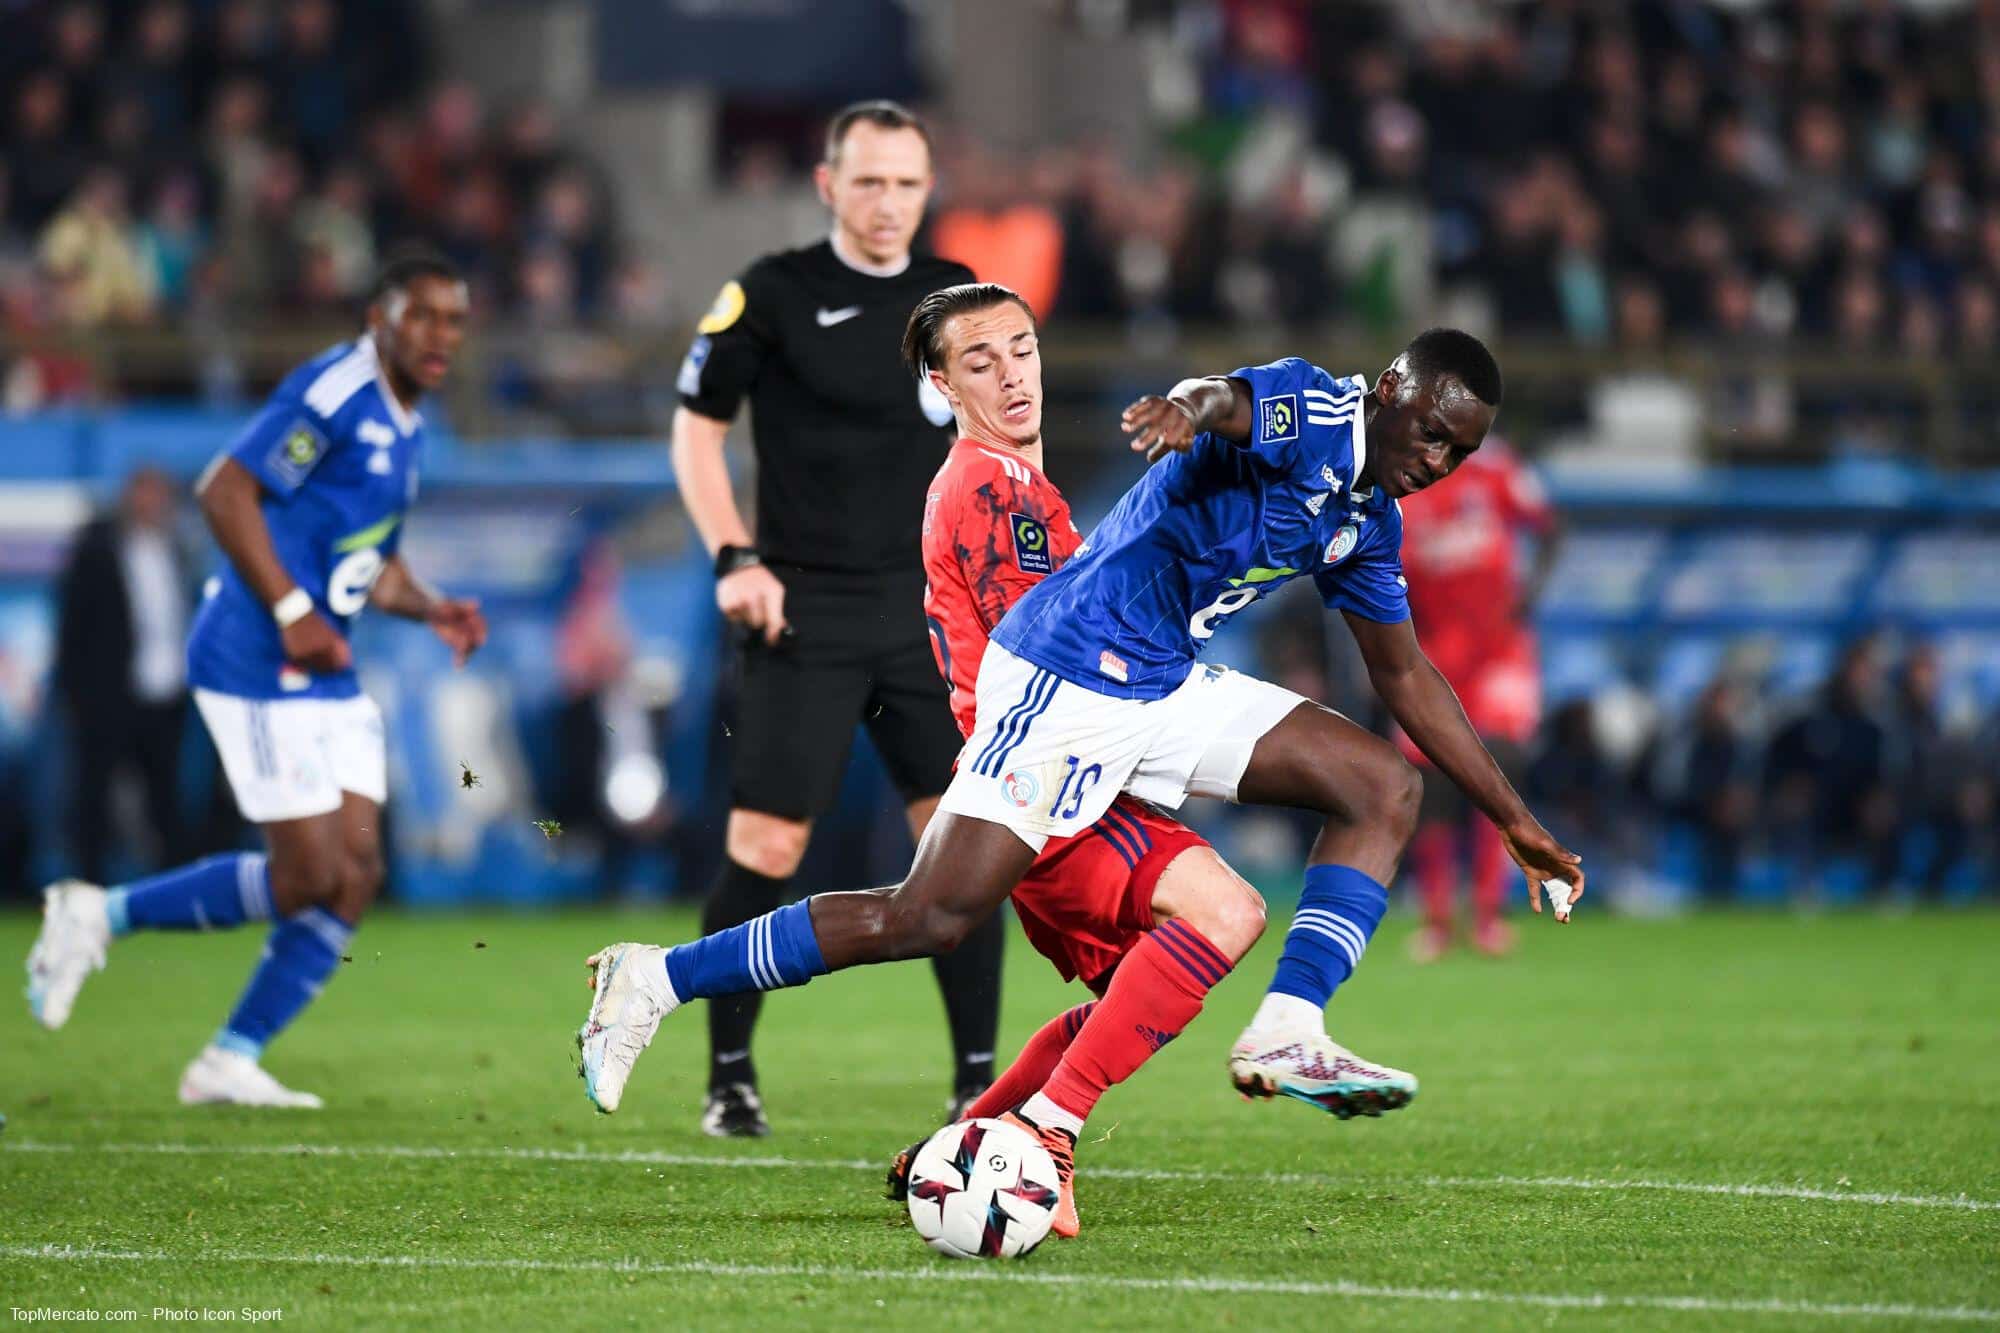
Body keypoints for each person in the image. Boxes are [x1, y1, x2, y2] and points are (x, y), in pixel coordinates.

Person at [578, 325, 1584, 1141]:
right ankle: (655, 978)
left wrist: (1513, 819)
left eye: (1461, 451)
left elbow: (1403, 677)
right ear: (1390, 389)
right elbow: (1230, 397)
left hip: (1160, 679)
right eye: (1431, 431)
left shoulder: (1366, 521)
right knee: (925, 917)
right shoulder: (1321, 410)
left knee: (1382, 786)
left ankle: (1287, 1027)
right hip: (1066, 668)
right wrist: (1183, 410)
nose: (1438, 460)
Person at [24, 251, 487, 1108]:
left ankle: (229, 1057)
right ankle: (98, 914)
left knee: (356, 869)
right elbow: (226, 491)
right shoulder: (338, 391)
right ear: (379, 317)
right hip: (256, 653)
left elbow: (368, 566)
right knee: (308, 871)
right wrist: (289, 611)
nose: (440, 336)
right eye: (422, 316)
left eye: (454, 321)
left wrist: (432, 607)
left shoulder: (409, 420)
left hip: (321, 663)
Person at [879, 283, 1268, 1236]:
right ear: (943, 383)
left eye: (1023, 348)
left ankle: (969, 1138)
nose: (1013, 374)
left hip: (1046, 784)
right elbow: (1063, 658)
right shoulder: (994, 489)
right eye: (981, 361)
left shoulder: (1021, 489)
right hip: (1052, 783)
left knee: (1142, 985)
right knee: (1227, 913)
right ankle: (1046, 1132)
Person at [667, 100, 1002, 1137]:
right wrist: (733, 556)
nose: (887, 203)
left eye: (905, 183)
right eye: (867, 182)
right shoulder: (769, 293)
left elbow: (1002, 444)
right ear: (827, 185)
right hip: (800, 608)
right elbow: (694, 433)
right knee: (766, 846)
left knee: (963, 849)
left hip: (928, 615)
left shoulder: (960, 301)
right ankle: (729, 1076)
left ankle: (976, 1084)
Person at [1394, 435, 1558, 959]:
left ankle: (1489, 914)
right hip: (1433, 655)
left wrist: (1528, 597)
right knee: (1432, 781)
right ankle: (1438, 921)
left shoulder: (1496, 470)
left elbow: (1552, 528)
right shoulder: (1398, 488)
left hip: (1498, 652)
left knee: (1499, 767)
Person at [52, 466, 199, 882]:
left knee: (166, 798)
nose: (152, 504)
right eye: (144, 493)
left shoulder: (178, 550)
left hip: (166, 695)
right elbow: (72, 627)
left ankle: (175, 889)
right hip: (110, 696)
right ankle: (86, 889)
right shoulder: (98, 549)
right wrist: (76, 695)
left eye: (159, 495)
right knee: (94, 796)